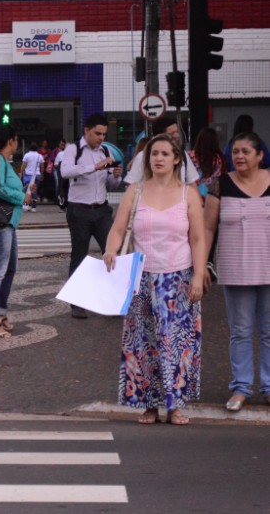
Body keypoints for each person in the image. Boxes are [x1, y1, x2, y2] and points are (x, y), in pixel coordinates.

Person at [104, 133, 205, 426]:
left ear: (176, 159)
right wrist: (111, 250)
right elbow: (119, 228)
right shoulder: (135, 191)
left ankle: (175, 406)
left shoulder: (189, 194)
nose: (158, 158)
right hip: (142, 278)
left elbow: (197, 238)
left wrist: (199, 275)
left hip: (179, 277)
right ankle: (148, 405)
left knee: (176, 344)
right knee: (143, 343)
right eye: (153, 153)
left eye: (164, 153)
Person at [204, 132, 270, 412]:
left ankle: (268, 388)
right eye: (235, 152)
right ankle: (241, 388)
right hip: (236, 269)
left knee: (269, 331)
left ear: (260, 155)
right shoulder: (221, 185)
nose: (239, 156)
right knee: (241, 331)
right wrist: (203, 264)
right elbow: (207, 228)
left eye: (245, 151)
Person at [61, 114, 123, 319]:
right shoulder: (73, 149)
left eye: (104, 134)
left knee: (113, 253)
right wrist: (94, 167)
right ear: (86, 130)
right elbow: (65, 171)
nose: (101, 138)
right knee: (79, 255)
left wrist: (116, 176)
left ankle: (112, 301)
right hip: (79, 210)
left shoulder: (105, 151)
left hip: (102, 210)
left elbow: (110, 185)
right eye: (97, 133)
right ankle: (77, 303)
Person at [0, 126, 32, 338]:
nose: (17, 144)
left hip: (7, 223)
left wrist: (23, 191)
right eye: (16, 140)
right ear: (10, 141)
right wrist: (22, 197)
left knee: (10, 268)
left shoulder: (4, 163)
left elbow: (4, 187)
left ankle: (1, 313)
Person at [124, 116, 199, 184]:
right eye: (172, 133)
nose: (177, 135)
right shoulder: (143, 156)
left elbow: (192, 182)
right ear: (159, 136)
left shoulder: (182, 154)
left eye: (177, 132)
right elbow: (131, 184)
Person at [21, 143, 44, 212]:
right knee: (34, 190)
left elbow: (24, 165)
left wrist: (21, 173)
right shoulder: (40, 156)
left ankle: (27, 205)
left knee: (27, 191)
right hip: (37, 175)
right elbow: (42, 166)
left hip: (28, 175)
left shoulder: (27, 155)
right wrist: (42, 174)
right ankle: (34, 207)